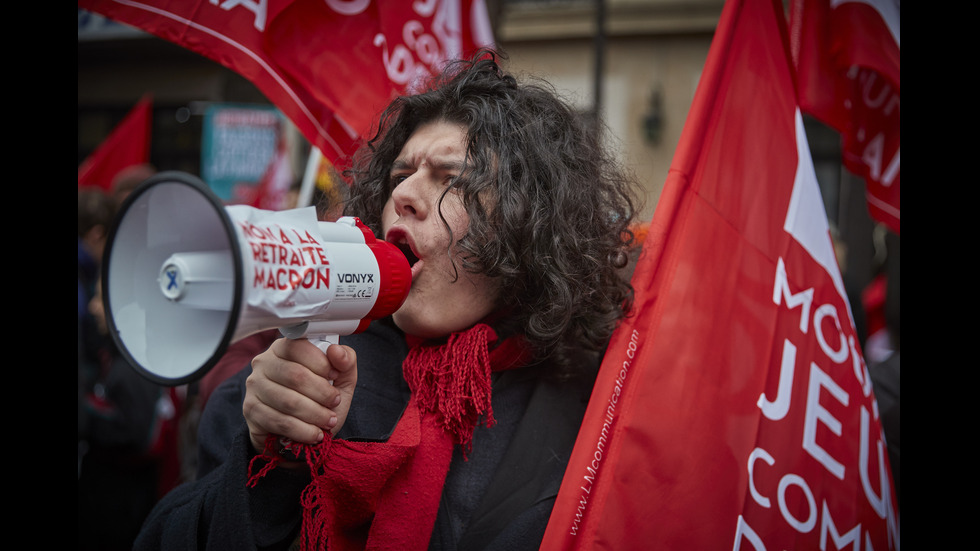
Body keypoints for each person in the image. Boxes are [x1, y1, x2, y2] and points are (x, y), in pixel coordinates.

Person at [135, 50, 642, 551]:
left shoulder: (597, 401)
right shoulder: (298, 380)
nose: (405, 195)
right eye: (399, 177)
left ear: (527, 224)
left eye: (452, 180)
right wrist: (270, 469)